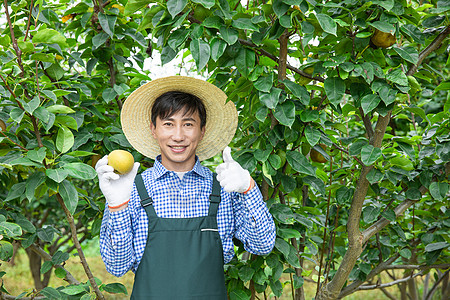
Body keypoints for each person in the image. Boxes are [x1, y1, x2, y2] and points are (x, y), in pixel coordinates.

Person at [95, 76, 276, 299]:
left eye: (188, 124)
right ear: (154, 129)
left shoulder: (224, 188)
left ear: (202, 131)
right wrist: (117, 206)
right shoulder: (131, 189)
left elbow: (263, 244)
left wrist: (248, 188)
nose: (178, 136)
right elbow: (116, 267)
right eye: (168, 124)